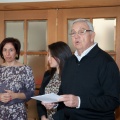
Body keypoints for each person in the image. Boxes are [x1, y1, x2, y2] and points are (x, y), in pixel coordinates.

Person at [53, 18, 120, 120]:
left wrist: (79, 102)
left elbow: (113, 100)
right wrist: (54, 102)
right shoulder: (69, 62)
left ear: (92, 36)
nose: (76, 36)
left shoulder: (106, 62)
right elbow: (63, 93)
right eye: (73, 33)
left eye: (81, 32)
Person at [0, 37, 35, 120]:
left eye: (11, 50)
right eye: (5, 50)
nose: (7, 53)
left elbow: (31, 93)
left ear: (16, 52)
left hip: (18, 113)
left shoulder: (26, 69)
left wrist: (15, 95)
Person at [37, 41, 72, 120]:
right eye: (48, 55)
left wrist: (54, 104)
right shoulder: (47, 74)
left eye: (51, 55)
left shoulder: (71, 76)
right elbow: (40, 99)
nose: (48, 58)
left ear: (60, 55)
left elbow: (70, 102)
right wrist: (43, 117)